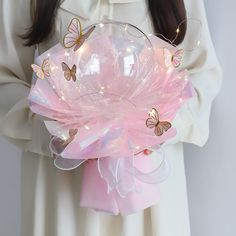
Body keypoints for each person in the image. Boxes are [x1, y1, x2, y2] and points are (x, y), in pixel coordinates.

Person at [0, 0, 222, 235]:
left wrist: (151, 129)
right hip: (60, 182)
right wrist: (58, 132)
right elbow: (6, 78)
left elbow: (201, 75)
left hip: (148, 180)